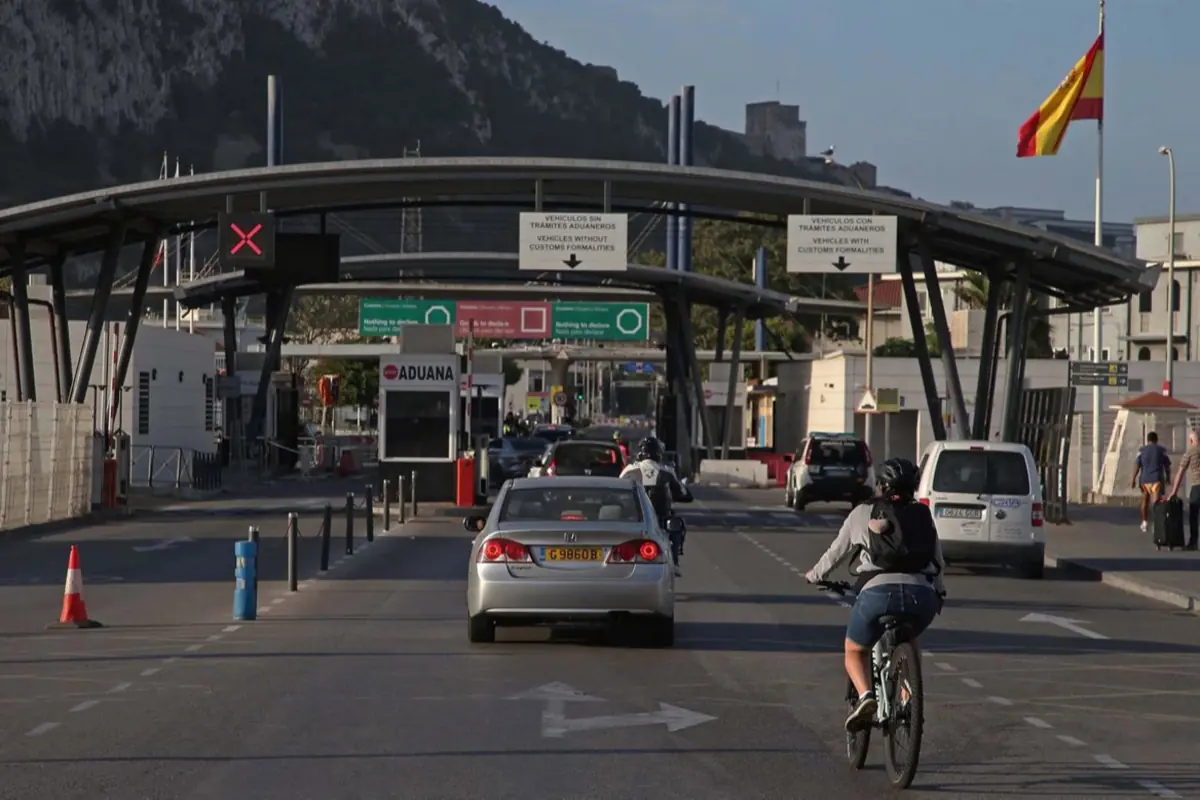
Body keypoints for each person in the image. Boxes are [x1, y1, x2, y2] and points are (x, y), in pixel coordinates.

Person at [804, 457, 946, 732]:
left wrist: (815, 575)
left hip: (877, 594)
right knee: (910, 636)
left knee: (854, 650)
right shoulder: (922, 515)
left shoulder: (863, 513)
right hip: (921, 597)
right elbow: (938, 560)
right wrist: (939, 592)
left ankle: (866, 696)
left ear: (881, 485)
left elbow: (836, 553)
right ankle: (908, 696)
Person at [620, 437, 693, 576]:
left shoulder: (629, 470)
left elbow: (616, 491)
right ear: (659, 454)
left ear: (640, 454)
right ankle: (675, 560)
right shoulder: (667, 471)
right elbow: (684, 494)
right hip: (661, 519)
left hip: (633, 519)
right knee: (677, 526)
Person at [1131, 431, 1171, 534]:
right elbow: (1167, 466)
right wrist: (1168, 477)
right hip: (1157, 479)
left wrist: (1133, 479)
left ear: (1147, 440)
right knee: (1156, 502)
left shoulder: (1141, 451)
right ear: (1156, 440)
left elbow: (1137, 465)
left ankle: (1144, 522)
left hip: (1145, 480)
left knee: (1145, 500)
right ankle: (1157, 523)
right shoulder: (1162, 450)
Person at [1167, 429, 1200, 550]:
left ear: (1191, 440)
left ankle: (1193, 542)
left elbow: (1180, 473)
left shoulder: (1190, 452)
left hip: (1197, 486)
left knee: (1194, 515)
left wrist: (1174, 492)